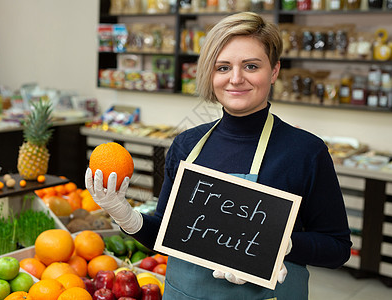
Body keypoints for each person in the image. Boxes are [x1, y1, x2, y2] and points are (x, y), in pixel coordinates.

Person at [86, 12, 352, 299]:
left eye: (251, 66)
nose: (236, 79)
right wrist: (127, 216)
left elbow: (337, 248)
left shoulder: (305, 152)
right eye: (223, 67)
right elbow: (167, 234)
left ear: (274, 71)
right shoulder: (186, 145)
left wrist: (280, 244)